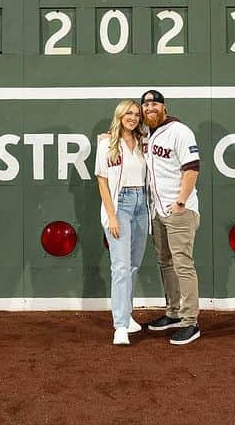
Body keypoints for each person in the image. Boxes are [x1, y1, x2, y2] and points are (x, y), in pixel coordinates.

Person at [140, 89, 202, 345]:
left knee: (182, 265)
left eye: (154, 104)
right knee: (166, 263)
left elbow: (192, 168)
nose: (149, 108)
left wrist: (180, 202)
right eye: (145, 105)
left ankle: (190, 322)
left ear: (164, 107)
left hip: (179, 210)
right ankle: (174, 312)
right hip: (158, 209)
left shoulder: (180, 131)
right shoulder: (146, 133)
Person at [94, 99, 148, 345]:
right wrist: (113, 215)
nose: (133, 117)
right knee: (121, 267)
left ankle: (128, 314)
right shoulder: (107, 143)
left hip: (142, 204)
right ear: (119, 115)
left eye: (137, 114)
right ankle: (120, 326)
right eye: (129, 113)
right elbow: (102, 181)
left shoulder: (144, 141)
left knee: (134, 265)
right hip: (121, 205)